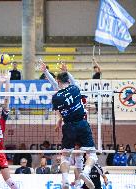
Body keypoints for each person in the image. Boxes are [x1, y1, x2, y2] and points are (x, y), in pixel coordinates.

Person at [40, 61, 98, 189]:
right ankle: (85, 173)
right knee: (90, 155)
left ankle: (66, 181)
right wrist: (66, 71)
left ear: (58, 81)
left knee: (66, 156)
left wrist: (45, 72)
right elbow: (66, 82)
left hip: (69, 127)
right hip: (82, 124)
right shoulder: (76, 88)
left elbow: (56, 86)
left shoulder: (56, 97)